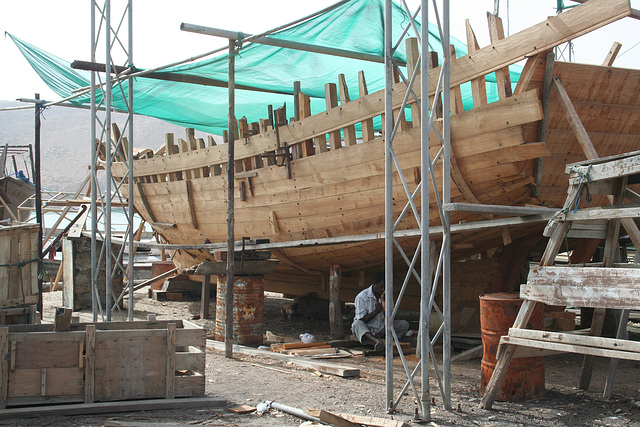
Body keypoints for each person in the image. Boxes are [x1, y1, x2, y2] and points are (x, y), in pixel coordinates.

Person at [351, 271, 409, 352]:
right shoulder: (362, 297)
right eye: (381, 286)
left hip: (382, 328)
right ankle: (377, 342)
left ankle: (392, 339)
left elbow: (392, 316)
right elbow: (361, 319)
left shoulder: (386, 295)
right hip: (369, 328)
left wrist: (386, 307)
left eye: (384, 287)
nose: (382, 289)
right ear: (374, 283)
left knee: (404, 324)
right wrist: (376, 311)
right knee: (356, 324)